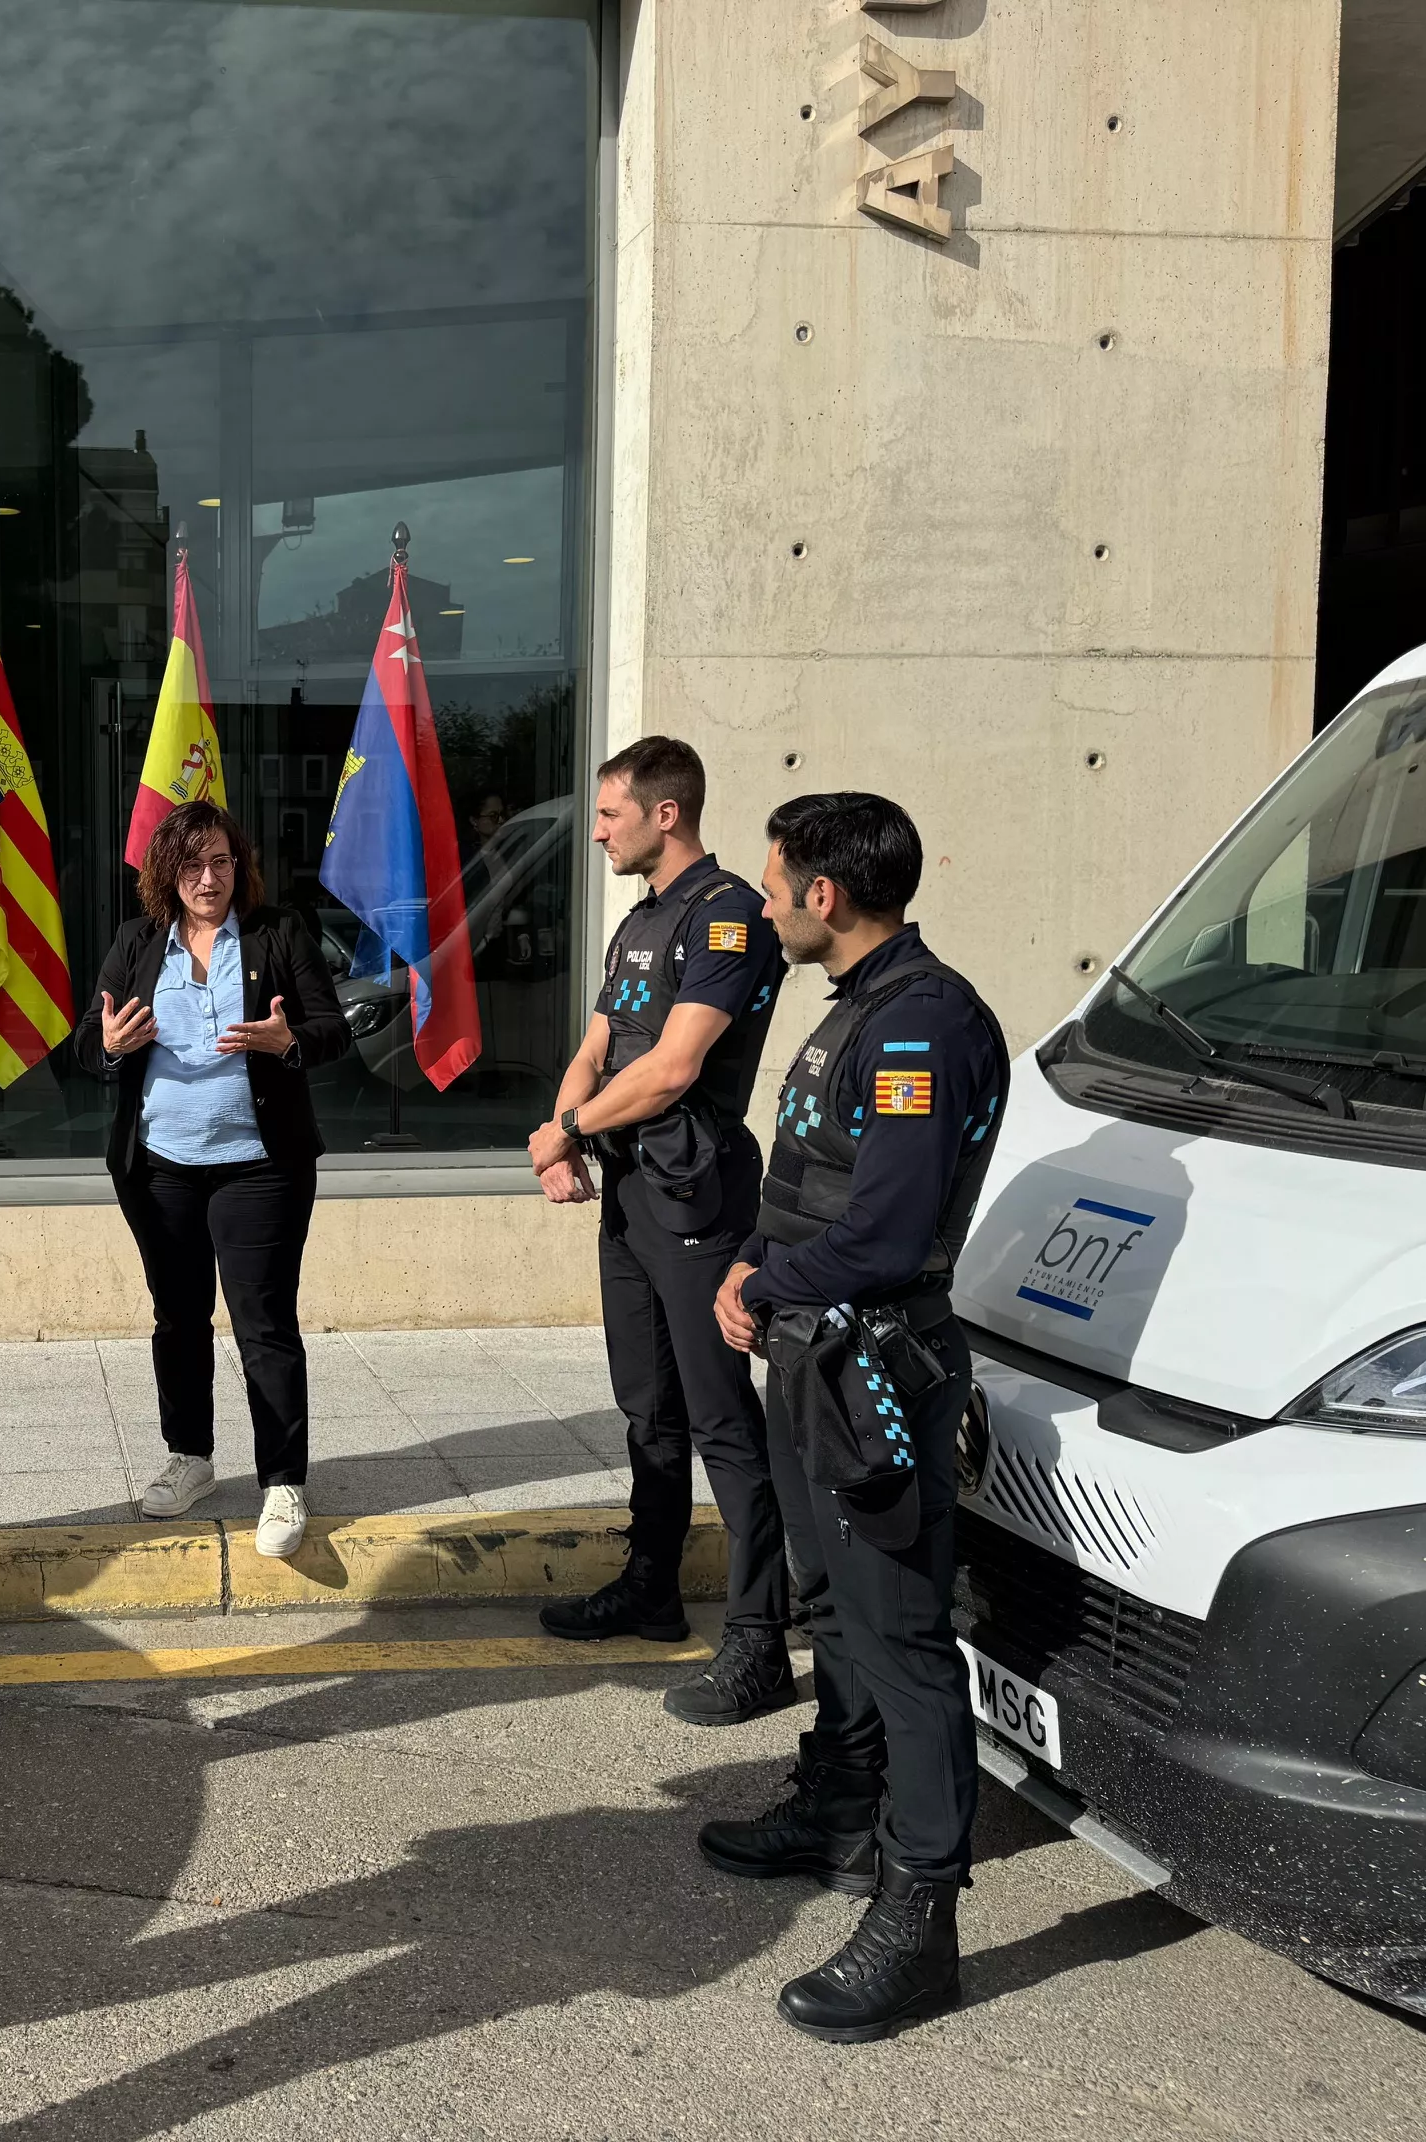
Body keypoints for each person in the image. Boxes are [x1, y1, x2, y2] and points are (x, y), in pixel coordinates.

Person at [695, 791, 1010, 2043]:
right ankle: (835, 1808)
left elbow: (882, 1230)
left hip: (877, 1369)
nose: (765, 905)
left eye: (775, 888)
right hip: (812, 1361)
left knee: (902, 1639)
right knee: (832, 1610)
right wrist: (750, 1271)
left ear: (823, 895)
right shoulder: (857, 1013)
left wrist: (764, 1282)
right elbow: (807, 1183)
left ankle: (920, 1912)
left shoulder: (927, 1022)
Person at [525, 737, 794, 1727]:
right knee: (648, 1406)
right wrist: (565, 1140)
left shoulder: (730, 919)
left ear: (666, 813)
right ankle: (651, 1584)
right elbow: (600, 1044)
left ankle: (761, 1637)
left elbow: (676, 1068)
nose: (596, 831)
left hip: (696, 1195)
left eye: (609, 815)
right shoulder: (641, 922)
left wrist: (566, 1131)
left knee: (724, 1419)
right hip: (635, 1191)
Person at [79, 800, 351, 1557]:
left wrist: (287, 1037)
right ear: (168, 872)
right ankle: (190, 1457)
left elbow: (333, 1027)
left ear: (241, 867)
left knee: (264, 1322)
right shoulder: (137, 943)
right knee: (179, 1314)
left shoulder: (277, 933)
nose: (209, 877)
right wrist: (106, 1044)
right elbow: (86, 1043)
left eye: (222, 862)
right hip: (160, 1167)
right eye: (193, 863)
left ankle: (284, 1481)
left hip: (259, 1167)